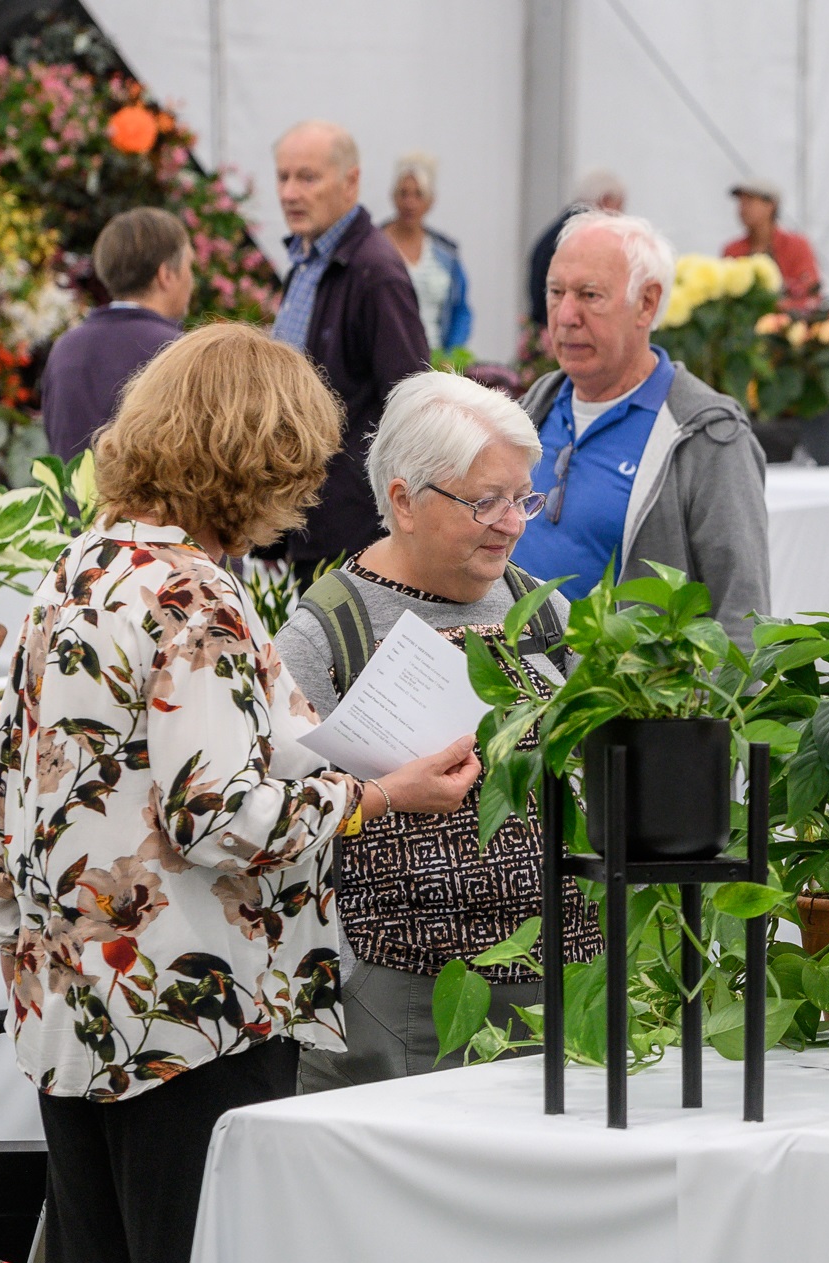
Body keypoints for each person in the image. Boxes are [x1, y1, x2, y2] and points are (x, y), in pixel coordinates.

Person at [0, 324, 479, 1263]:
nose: (308, 489)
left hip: (73, 1008)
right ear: (260, 457)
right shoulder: (191, 595)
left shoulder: (79, 570)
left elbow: (3, 784)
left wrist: (24, 950)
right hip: (194, 1009)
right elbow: (221, 817)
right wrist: (377, 794)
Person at [282, 371, 596, 1091]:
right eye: (486, 501)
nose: (514, 522)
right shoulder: (328, 632)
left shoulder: (538, 609)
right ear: (403, 500)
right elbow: (278, 819)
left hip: (559, 978)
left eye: (523, 497)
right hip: (405, 1001)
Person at [515, 211, 770, 635]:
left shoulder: (707, 437)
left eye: (590, 295)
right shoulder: (532, 410)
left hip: (629, 694)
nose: (565, 315)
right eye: (556, 292)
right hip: (517, 688)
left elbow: (743, 613)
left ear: (647, 304)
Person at [269, 120, 431, 577]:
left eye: (307, 177)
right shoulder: (308, 261)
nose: (289, 193)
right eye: (283, 177)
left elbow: (411, 400)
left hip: (349, 531)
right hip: (303, 520)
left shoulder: (374, 273)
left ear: (351, 181)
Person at [38, 207, 191, 459]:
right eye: (189, 266)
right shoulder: (177, 352)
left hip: (69, 498)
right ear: (165, 274)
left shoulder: (65, 347)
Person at [382, 151, 472, 353]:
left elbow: (460, 310)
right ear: (393, 196)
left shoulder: (446, 253)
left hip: (433, 359)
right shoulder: (375, 246)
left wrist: (451, 352)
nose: (410, 203)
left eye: (418, 194)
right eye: (404, 193)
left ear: (431, 200)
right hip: (386, 357)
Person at [527, 167, 627, 330]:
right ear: (605, 200)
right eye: (620, 206)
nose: (622, 216)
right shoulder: (585, 237)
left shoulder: (560, 230)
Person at [723, 178, 820, 309]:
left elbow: (810, 292)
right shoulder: (732, 250)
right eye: (741, 202)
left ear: (770, 205)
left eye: (749, 201)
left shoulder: (796, 246)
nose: (742, 208)